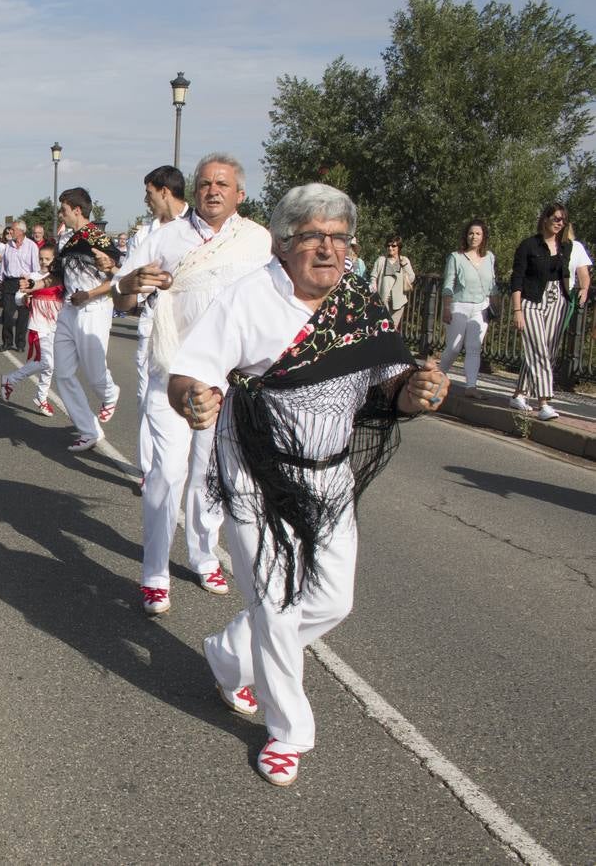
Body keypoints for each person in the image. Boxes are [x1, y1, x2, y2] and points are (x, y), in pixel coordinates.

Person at [170, 183, 447, 787]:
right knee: (273, 605)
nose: (328, 248)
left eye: (339, 237)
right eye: (313, 237)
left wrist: (417, 392)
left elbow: (391, 382)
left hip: (330, 475)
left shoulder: (357, 303)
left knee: (331, 601)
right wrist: (193, 399)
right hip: (254, 474)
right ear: (284, 243)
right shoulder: (248, 299)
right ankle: (287, 730)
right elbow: (190, 372)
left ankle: (227, 653)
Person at [128, 153, 272, 615]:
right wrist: (133, 282)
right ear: (196, 188)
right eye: (206, 183)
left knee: (210, 475)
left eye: (223, 184)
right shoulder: (163, 236)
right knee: (165, 475)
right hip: (171, 370)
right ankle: (154, 572)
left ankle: (204, 553)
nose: (213, 190)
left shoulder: (258, 241)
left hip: (227, 378)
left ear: (239, 195)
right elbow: (126, 295)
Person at [114, 165, 188, 481]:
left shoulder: (197, 228)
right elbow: (126, 284)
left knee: (190, 405)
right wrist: (129, 285)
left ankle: (187, 468)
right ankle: (150, 470)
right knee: (150, 399)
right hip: (154, 326)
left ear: (164, 191)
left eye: (148, 193)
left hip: (192, 330)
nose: (146, 200)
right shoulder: (145, 234)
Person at [41, 187, 122, 453]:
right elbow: (58, 277)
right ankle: (89, 430)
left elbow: (116, 279)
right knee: (63, 374)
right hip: (68, 310)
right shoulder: (65, 239)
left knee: (94, 372)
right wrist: (33, 284)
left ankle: (109, 394)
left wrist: (88, 294)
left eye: (63, 209)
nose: (60, 214)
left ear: (77, 210)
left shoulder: (97, 238)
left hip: (94, 309)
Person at [509, 203, 574, 420]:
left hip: (558, 301)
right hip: (531, 300)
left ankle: (518, 394)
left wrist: (580, 292)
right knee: (539, 350)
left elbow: (572, 273)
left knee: (547, 350)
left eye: (563, 220)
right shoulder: (529, 245)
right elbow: (516, 279)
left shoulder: (566, 247)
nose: (559, 223)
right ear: (545, 218)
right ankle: (544, 403)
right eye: (556, 218)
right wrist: (517, 309)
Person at [0, 242, 63, 415]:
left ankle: (41, 397)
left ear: (54, 259)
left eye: (47, 259)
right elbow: (18, 298)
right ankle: (11, 379)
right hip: (38, 325)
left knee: (50, 365)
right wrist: (24, 299)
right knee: (47, 362)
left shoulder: (59, 277)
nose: (44, 262)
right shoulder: (32, 277)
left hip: (57, 326)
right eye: (41, 259)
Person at [438, 219, 499, 398]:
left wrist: (496, 305)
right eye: (471, 233)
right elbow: (448, 283)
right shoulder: (456, 257)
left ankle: (471, 386)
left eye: (478, 233)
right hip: (459, 305)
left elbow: (492, 284)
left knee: (474, 346)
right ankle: (438, 375)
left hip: (481, 307)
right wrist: (446, 307)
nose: (474, 237)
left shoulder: (489, 257)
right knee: (455, 347)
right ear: (466, 236)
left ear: (483, 236)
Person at [0, 220, 39, 351]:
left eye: (13, 230)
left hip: (24, 283)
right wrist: (0, 279)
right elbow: (4, 265)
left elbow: (36, 268)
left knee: (22, 316)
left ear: (21, 231)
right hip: (10, 282)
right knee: (7, 315)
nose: (10, 232)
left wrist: (31, 282)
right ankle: (7, 342)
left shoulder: (31, 246)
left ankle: (20, 344)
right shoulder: (8, 245)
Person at [369, 236, 414, 328]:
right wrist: (374, 292)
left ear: (399, 247)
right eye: (388, 246)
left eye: (393, 246)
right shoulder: (381, 260)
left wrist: (404, 265)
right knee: (381, 326)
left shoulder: (404, 260)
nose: (390, 248)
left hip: (399, 301)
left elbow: (412, 277)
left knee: (393, 327)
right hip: (383, 299)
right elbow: (373, 277)